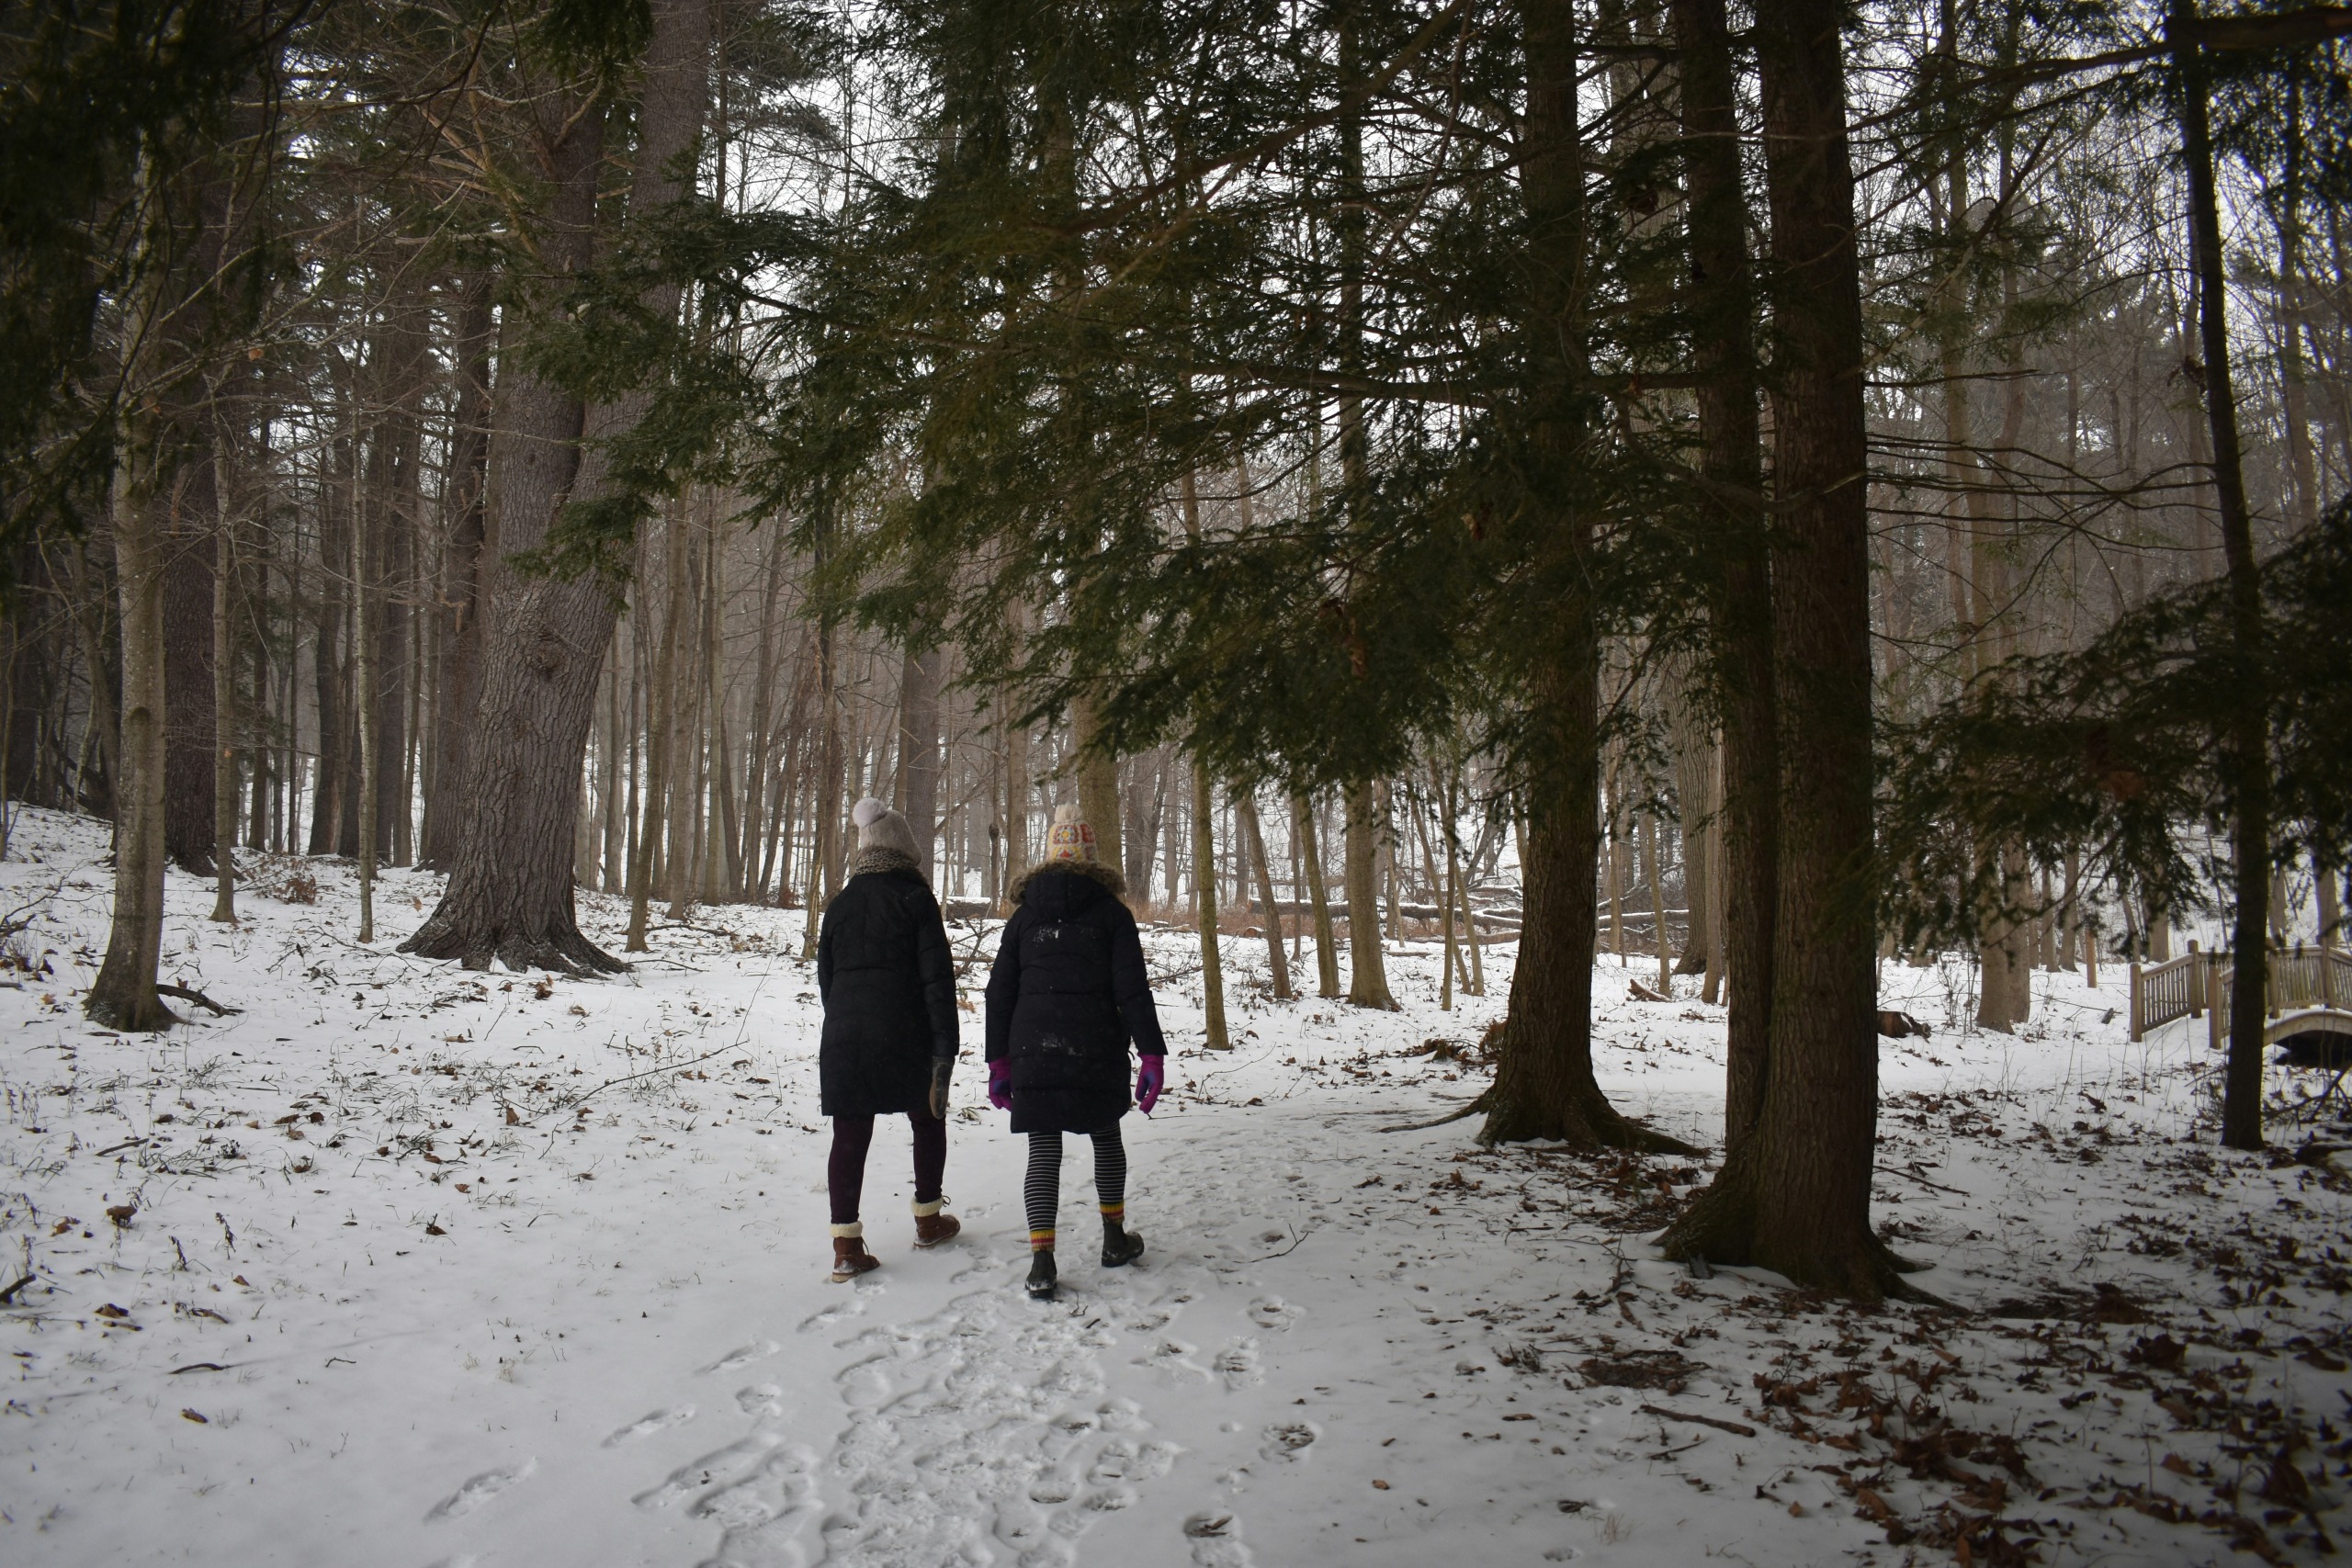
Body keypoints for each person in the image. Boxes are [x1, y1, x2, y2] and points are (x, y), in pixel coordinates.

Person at [986, 802, 1168, 1301]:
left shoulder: (1023, 919)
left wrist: (999, 1061)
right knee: (1106, 1136)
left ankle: (1042, 1261)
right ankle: (1114, 1239)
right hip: (1095, 1045)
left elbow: (998, 992)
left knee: (1043, 1148)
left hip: (1033, 1046)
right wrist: (1151, 1055)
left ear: (1048, 859)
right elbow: (1132, 991)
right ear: (1092, 858)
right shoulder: (1112, 915)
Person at [817, 796, 961, 1282]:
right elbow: (937, 981)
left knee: (850, 1135)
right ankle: (928, 1219)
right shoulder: (916, 899)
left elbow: (827, 981)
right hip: (906, 1032)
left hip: (843, 1034)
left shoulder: (839, 904)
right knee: (927, 1118)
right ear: (904, 849)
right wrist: (946, 1047)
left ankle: (845, 1247)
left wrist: (844, 1025)